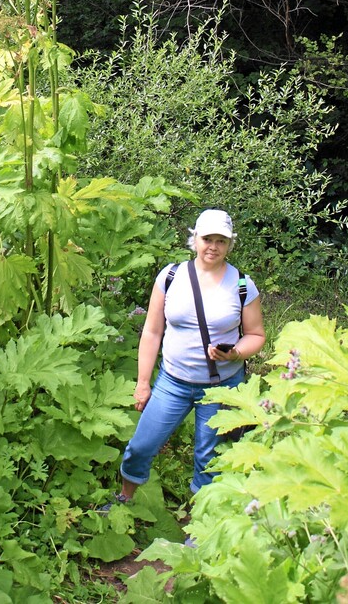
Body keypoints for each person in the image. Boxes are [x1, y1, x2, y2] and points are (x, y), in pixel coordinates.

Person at [109, 208, 265, 506]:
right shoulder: (170, 277)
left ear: (230, 245)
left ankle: (199, 525)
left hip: (221, 385)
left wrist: (234, 352)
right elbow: (152, 332)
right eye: (208, 238)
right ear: (195, 239)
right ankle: (123, 501)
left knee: (208, 458)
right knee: (141, 445)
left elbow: (256, 335)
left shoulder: (243, 285)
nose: (213, 247)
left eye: (222, 240)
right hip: (173, 382)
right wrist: (143, 382)